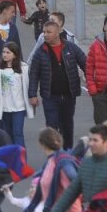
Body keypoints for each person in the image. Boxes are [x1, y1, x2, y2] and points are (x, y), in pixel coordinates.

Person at [28, 16, 88, 144]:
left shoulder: (71, 48)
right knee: (52, 125)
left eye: (48, 32)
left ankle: (67, 152)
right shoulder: (40, 52)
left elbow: (85, 63)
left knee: (67, 125)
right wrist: (32, 94)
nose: (45, 35)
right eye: (44, 32)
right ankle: (53, 154)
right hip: (50, 96)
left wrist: (91, 80)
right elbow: (33, 74)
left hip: (69, 94)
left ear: (58, 32)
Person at [0, 41, 33, 149]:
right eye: (3, 52)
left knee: (18, 133)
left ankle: (21, 162)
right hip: (5, 107)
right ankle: (11, 160)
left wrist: (31, 99)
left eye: (8, 52)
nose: (5, 55)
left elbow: (27, 85)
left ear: (15, 54)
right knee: (8, 134)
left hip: (18, 107)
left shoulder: (23, 68)